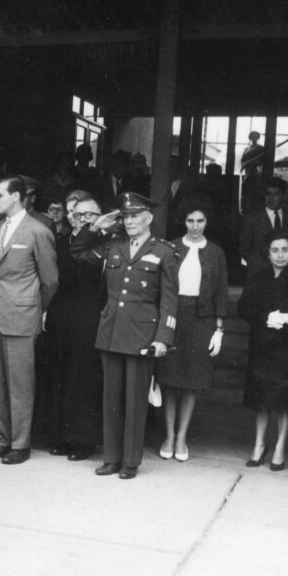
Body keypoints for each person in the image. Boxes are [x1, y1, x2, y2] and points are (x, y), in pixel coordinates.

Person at [72, 191, 179, 479]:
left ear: (149, 218)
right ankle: (111, 458)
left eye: (135, 216)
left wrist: (163, 338)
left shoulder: (164, 252)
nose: (129, 221)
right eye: (126, 216)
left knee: (134, 402)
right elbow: (78, 253)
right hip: (111, 332)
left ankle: (130, 461)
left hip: (142, 335)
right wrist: (96, 226)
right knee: (111, 399)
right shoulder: (113, 246)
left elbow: (169, 300)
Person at [0, 175, 58, 465]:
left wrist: (32, 308)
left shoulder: (38, 231)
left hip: (22, 316)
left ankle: (20, 444)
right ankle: (3, 440)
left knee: (21, 383)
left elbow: (50, 281)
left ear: (16, 196)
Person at [154, 200, 229, 462]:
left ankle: (182, 437)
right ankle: (169, 436)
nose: (195, 226)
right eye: (190, 221)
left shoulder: (216, 253)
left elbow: (221, 292)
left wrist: (219, 329)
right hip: (174, 315)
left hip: (202, 319)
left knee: (191, 382)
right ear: (183, 221)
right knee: (170, 379)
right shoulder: (171, 247)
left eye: (200, 221)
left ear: (207, 223)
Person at [238, 230, 288, 472]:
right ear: (268, 253)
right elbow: (243, 308)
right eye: (275, 250)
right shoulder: (258, 278)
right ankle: (259, 445)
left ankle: (280, 447)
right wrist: (264, 318)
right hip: (262, 345)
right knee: (261, 399)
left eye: (284, 250)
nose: (280, 255)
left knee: (284, 401)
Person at [42, 191, 104, 462]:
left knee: (84, 378)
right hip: (61, 316)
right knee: (59, 375)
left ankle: (82, 441)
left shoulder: (106, 244)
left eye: (90, 215)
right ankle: (59, 437)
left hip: (91, 317)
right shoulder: (60, 243)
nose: (83, 219)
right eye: (79, 215)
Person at [239, 176, 288, 272]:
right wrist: (257, 264)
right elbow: (244, 248)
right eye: (268, 194)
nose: (271, 199)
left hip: (286, 273)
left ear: (283, 195)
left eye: (275, 194)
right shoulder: (252, 218)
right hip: (259, 272)